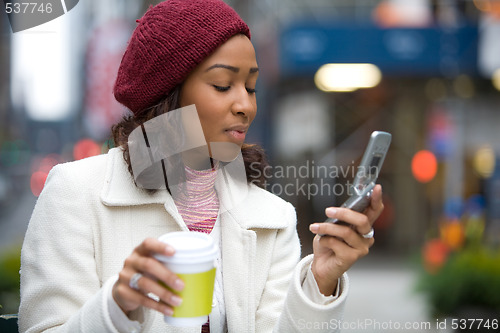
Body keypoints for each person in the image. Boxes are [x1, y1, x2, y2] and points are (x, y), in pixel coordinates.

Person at [18, 0, 384, 332]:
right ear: (168, 94)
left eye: (251, 87)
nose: (246, 105)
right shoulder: (75, 194)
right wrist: (116, 307)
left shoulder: (273, 218)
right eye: (223, 85)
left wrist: (320, 280)